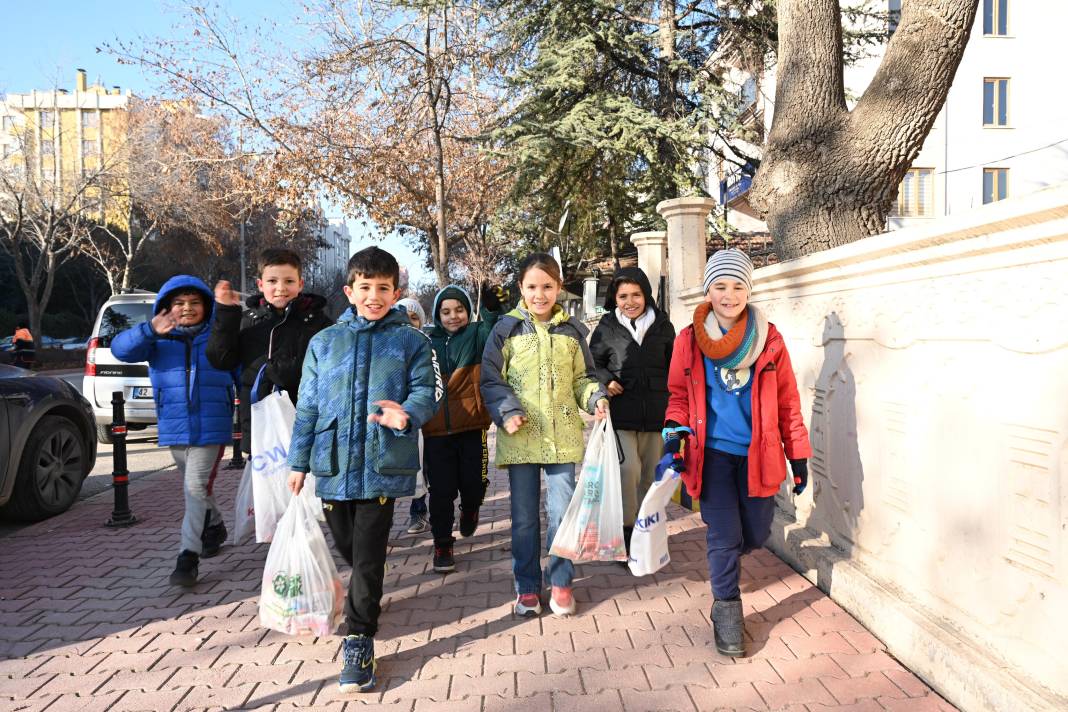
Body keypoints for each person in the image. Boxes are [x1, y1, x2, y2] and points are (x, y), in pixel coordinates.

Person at [287, 247, 441, 693]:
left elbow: (430, 391)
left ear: (397, 292)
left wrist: (405, 414)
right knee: (350, 550)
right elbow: (308, 407)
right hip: (333, 466)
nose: (375, 297)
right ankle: (363, 597)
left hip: (381, 465)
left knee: (368, 557)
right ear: (349, 291)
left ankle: (359, 641)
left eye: (384, 289)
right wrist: (298, 462)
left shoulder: (413, 341)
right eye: (366, 288)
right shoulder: (325, 342)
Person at [661, 249, 811, 657]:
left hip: (759, 455)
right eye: (721, 285)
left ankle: (732, 558)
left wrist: (798, 454)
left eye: (738, 285)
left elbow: (787, 402)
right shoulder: (689, 340)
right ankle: (726, 607)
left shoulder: (770, 339)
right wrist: (674, 432)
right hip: (711, 456)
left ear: (749, 290)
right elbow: (677, 395)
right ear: (709, 290)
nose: (729, 294)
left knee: (757, 532)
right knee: (724, 535)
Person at [481, 253, 608, 618]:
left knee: (563, 514)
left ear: (558, 288)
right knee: (523, 519)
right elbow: (491, 379)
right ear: (520, 288)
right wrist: (507, 412)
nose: (540, 294)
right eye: (533, 287)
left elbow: (583, 379)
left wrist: (595, 398)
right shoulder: (505, 329)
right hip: (519, 438)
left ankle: (562, 581)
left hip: (563, 437)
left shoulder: (572, 332)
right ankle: (526, 587)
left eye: (548, 287)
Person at [111, 276, 235, 586]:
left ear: (206, 306)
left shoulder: (219, 337)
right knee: (197, 488)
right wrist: (150, 330)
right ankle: (215, 525)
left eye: (195, 303)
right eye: (179, 303)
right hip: (174, 425)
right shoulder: (157, 340)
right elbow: (119, 349)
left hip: (213, 424)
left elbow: (241, 372)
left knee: (194, 487)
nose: (188, 309)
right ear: (167, 308)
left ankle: (187, 557)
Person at [206, 248, 333, 454]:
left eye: (289, 281)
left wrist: (289, 370)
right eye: (272, 281)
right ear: (260, 284)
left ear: (300, 284)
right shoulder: (248, 321)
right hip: (259, 425)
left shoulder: (318, 323)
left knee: (303, 485)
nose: (281, 288)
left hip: (304, 423)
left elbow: (331, 369)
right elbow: (221, 360)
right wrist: (226, 313)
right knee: (264, 486)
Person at [589, 267, 675, 561]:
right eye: (623, 295)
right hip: (621, 413)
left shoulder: (663, 325)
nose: (630, 301)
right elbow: (592, 364)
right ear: (614, 298)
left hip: (656, 414)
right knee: (628, 471)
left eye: (636, 294)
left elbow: (674, 365)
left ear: (646, 294)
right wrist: (605, 380)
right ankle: (626, 532)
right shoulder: (606, 327)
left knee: (651, 475)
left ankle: (645, 532)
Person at [420, 283, 507, 572]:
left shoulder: (476, 334)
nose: (453, 316)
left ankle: (470, 508)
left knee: (475, 484)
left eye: (459, 310)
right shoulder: (426, 341)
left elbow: (493, 324)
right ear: (437, 314)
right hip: (436, 433)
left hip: (472, 427)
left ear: (468, 311)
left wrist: (492, 307)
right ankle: (442, 543)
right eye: (445, 311)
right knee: (441, 492)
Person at [396, 297, 429, 535]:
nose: (409, 322)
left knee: (422, 468)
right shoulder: (389, 345)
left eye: (414, 317)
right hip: (393, 418)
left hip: (423, 420)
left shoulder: (426, 344)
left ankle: (418, 513)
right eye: (404, 317)